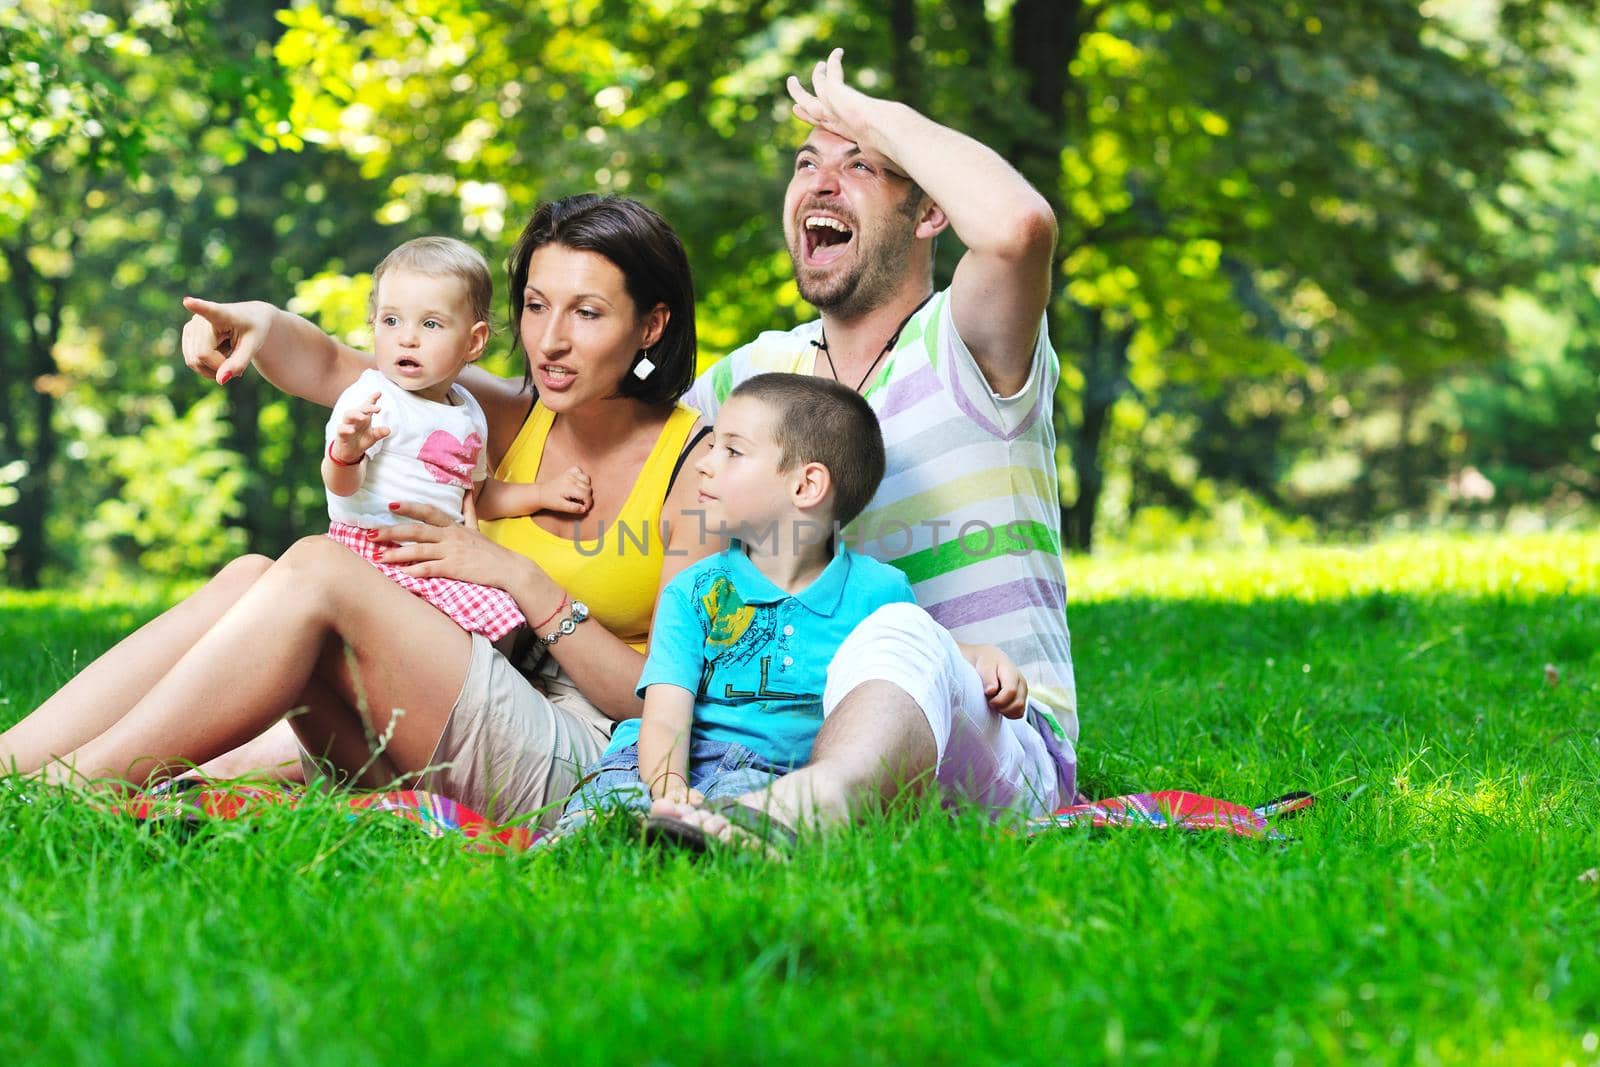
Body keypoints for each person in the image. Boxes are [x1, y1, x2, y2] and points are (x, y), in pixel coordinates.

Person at [1, 194, 712, 828]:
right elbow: (339, 367)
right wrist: (260, 322)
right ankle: (12, 768)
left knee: (320, 565)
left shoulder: (698, 467)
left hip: (580, 757)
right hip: (454, 701)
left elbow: (665, 707)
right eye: (534, 305)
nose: (550, 339)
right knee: (253, 572)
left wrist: (522, 579)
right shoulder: (512, 416)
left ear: (652, 324)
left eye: (586, 312)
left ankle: (72, 793)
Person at [652, 50, 1077, 847]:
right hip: (786, 742)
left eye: (861, 166)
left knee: (897, 626)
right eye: (807, 162)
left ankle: (784, 823)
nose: (820, 180)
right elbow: (611, 432)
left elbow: (1021, 229)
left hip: (994, 742)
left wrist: (867, 110)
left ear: (928, 214)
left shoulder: (964, 344)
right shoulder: (749, 379)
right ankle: (760, 812)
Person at [555, 374, 1033, 837]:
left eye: (732, 451)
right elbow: (664, 714)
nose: (704, 462)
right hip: (658, 760)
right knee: (604, 809)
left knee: (737, 820)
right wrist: (668, 786)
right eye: (712, 444)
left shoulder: (879, 592)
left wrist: (978, 658)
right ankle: (568, 851)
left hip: (773, 774)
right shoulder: (695, 591)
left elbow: (913, 661)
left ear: (805, 487)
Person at [319, 235, 593, 640]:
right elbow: (341, 487)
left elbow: (476, 496)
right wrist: (346, 455)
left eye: (430, 324)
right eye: (391, 320)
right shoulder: (374, 399)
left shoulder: (467, 412)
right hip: (375, 547)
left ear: (474, 341)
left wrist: (545, 494)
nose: (407, 337)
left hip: (435, 555)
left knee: (505, 626)